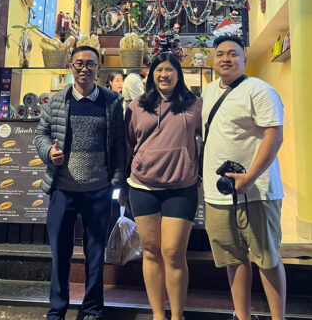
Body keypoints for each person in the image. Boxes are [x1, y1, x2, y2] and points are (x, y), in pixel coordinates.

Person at [35, 45, 125, 320]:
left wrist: (116, 183)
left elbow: (118, 145)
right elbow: (41, 135)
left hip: (98, 190)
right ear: (70, 66)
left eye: (90, 63)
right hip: (63, 190)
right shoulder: (57, 101)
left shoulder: (112, 102)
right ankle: (57, 310)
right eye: (79, 63)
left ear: (99, 68)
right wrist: (48, 152)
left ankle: (92, 309)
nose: (84, 68)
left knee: (95, 254)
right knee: (60, 253)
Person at [201, 35, 286, 320]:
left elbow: (274, 136)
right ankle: (242, 315)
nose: (225, 58)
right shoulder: (208, 92)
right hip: (218, 194)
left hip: (257, 191)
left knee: (267, 258)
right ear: (213, 60)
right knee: (233, 259)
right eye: (220, 54)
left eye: (233, 54)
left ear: (244, 60)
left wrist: (249, 177)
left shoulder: (259, 90)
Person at [120, 52, 202, 320]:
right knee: (151, 252)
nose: (164, 75)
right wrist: (121, 185)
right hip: (142, 187)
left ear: (178, 74)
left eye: (169, 70)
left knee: (173, 252)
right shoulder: (136, 106)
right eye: (159, 70)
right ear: (151, 75)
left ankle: (177, 315)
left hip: (182, 188)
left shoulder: (194, 105)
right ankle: (157, 314)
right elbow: (128, 145)